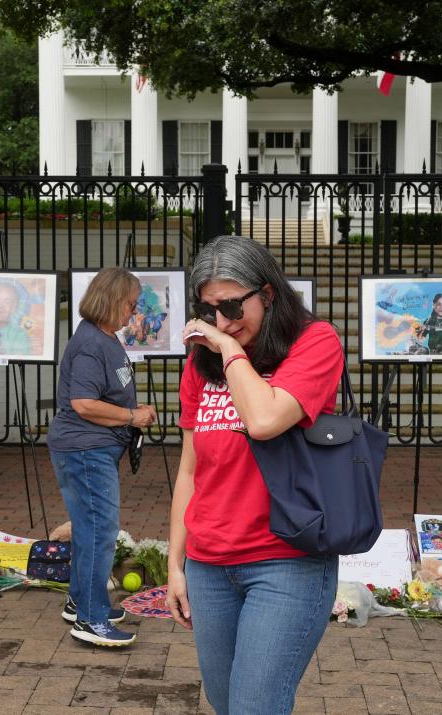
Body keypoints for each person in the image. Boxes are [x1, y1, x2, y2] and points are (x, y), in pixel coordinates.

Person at [165, 236, 343, 715]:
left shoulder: (314, 343)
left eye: (230, 305)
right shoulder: (201, 363)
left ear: (266, 293)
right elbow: (189, 469)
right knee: (226, 705)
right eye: (208, 309)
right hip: (209, 565)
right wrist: (175, 564)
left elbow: (264, 420)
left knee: (255, 707)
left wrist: (227, 348)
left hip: (285, 561)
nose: (222, 320)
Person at [47, 267, 157, 647]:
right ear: (112, 301)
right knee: (99, 533)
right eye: (129, 303)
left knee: (89, 530)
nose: (133, 310)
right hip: (85, 449)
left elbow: (100, 395)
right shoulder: (93, 343)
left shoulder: (102, 338)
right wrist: (131, 416)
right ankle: (91, 621)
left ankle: (81, 602)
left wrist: (130, 410)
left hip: (88, 449)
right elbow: (82, 403)